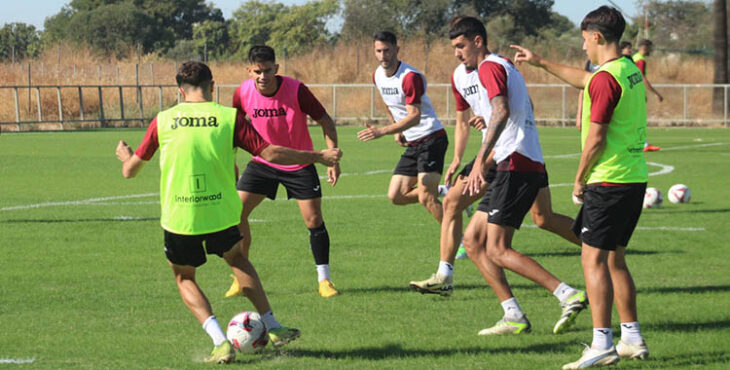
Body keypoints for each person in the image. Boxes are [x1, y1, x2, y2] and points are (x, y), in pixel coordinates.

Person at [115, 61, 342, 363]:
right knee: (237, 258)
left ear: (180, 91)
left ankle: (220, 342)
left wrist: (126, 156)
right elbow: (270, 153)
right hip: (221, 211)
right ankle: (272, 327)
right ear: (212, 85)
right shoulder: (228, 118)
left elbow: (130, 172)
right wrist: (318, 156)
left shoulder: (164, 120)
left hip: (181, 216)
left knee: (184, 278)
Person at [512, 5, 650, 368]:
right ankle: (632, 337)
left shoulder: (606, 78)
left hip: (608, 180)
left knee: (592, 260)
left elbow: (596, 137)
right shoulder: (627, 70)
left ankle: (601, 343)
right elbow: (585, 79)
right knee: (615, 259)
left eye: (584, 39)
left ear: (598, 37)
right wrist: (540, 62)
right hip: (633, 179)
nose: (583, 46)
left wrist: (579, 178)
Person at [409, 17, 582, 299]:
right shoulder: (461, 75)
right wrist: (457, 158)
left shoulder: (491, 66)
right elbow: (466, 119)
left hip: (508, 154)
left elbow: (503, 109)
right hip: (508, 151)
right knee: (534, 219)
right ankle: (449, 277)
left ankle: (588, 264)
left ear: (478, 41)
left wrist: (479, 160)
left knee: (501, 241)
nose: (457, 52)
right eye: (453, 47)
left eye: (461, 45)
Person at [224, 45, 341, 299]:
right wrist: (230, 162)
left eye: (267, 70)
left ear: (276, 68)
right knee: (236, 213)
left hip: (299, 162)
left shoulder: (296, 90)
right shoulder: (242, 93)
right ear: (249, 71)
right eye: (257, 71)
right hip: (262, 163)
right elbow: (234, 127)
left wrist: (332, 157)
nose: (263, 76)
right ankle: (240, 278)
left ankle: (324, 280)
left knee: (313, 220)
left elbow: (325, 119)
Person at [358, 31, 448, 227]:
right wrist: (398, 130)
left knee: (426, 198)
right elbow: (389, 103)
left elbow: (414, 116)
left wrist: (382, 131)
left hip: (431, 137)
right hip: (414, 142)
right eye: (378, 51)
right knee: (396, 195)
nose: (383, 55)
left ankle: (461, 241)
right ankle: (445, 191)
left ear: (397, 50)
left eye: (387, 50)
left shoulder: (409, 77)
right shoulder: (377, 75)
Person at [633, 39, 662, 152]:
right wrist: (656, 93)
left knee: (635, 118)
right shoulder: (640, 60)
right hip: (637, 92)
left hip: (633, 91)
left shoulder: (635, 57)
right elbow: (642, 78)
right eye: (650, 48)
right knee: (639, 118)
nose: (651, 50)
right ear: (645, 47)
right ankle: (643, 144)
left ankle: (640, 142)